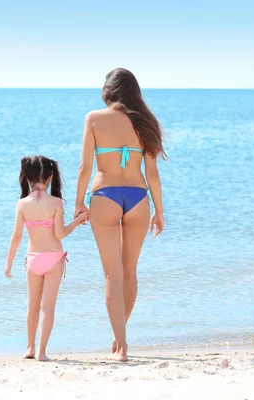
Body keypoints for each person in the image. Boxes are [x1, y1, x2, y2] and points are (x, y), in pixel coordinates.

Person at [74, 68, 166, 362]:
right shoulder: (146, 122)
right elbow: (152, 172)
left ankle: (122, 347)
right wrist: (159, 210)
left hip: (105, 196)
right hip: (139, 198)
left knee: (112, 276)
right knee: (129, 273)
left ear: (108, 91)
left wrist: (78, 203)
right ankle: (120, 337)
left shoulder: (94, 118)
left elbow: (85, 168)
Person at [5, 155, 89, 361]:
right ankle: (42, 352)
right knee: (48, 307)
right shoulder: (57, 202)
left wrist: (8, 264)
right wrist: (78, 220)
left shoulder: (22, 204)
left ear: (27, 178)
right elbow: (60, 234)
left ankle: (30, 348)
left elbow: (16, 236)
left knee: (32, 305)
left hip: (33, 259)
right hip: (53, 259)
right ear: (50, 177)